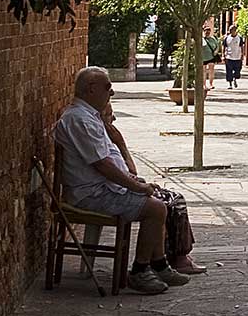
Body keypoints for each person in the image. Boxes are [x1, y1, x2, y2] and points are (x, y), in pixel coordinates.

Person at [54, 67, 190, 294]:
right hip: (90, 193)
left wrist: (134, 181)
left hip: (103, 188)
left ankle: (159, 264)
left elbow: (112, 162)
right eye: (107, 87)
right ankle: (140, 270)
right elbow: (103, 165)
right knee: (155, 208)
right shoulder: (79, 120)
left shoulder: (90, 116)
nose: (112, 92)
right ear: (91, 89)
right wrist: (135, 186)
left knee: (160, 201)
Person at [97, 101, 206, 275]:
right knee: (166, 204)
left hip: (122, 185)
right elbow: (128, 171)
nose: (114, 118)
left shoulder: (106, 139)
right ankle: (169, 260)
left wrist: (120, 144)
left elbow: (130, 171)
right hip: (113, 190)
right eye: (110, 115)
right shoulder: (100, 139)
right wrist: (121, 145)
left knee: (173, 198)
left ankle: (171, 258)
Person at [223, 24, 245, 89]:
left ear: (235, 30)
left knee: (237, 71)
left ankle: (235, 78)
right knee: (229, 71)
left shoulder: (239, 38)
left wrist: (242, 55)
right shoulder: (227, 38)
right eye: (230, 30)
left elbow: (241, 46)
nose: (231, 31)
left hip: (237, 57)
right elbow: (224, 46)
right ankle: (230, 84)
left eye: (232, 30)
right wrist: (223, 55)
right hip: (229, 57)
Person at [201, 26, 219, 91]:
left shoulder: (213, 39)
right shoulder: (201, 39)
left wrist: (216, 52)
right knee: (203, 71)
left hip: (211, 57)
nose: (207, 32)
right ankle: (204, 85)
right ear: (204, 31)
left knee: (211, 70)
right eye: (206, 30)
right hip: (203, 57)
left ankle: (211, 84)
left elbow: (217, 46)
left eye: (208, 30)